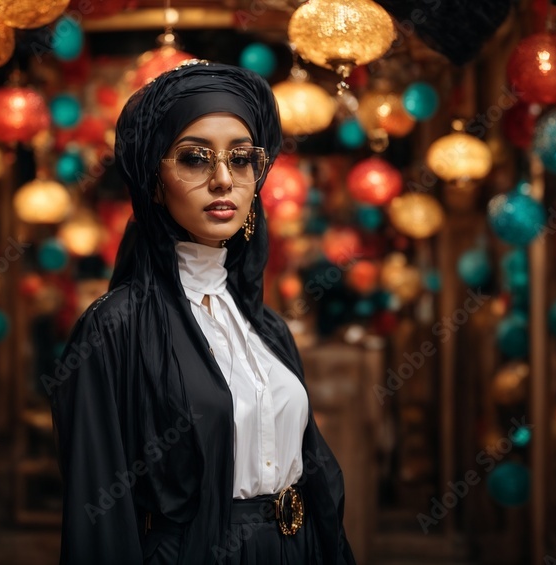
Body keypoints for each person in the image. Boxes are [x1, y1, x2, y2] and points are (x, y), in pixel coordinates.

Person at [49, 61, 355, 565]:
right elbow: (99, 516)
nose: (223, 180)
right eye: (194, 158)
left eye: (241, 159)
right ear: (154, 181)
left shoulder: (267, 327)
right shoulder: (115, 328)